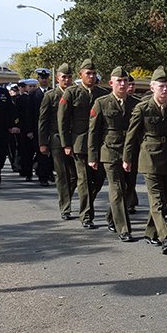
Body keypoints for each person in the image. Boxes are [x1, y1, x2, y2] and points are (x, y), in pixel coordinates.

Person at [124, 67, 167, 254]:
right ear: (152, 87)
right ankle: (165, 237)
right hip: (149, 157)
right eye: (161, 86)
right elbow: (132, 135)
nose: (165, 90)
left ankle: (150, 232)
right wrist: (127, 158)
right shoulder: (143, 108)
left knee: (164, 199)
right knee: (157, 200)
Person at [89, 67, 139, 241]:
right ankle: (123, 228)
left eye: (125, 81)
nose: (123, 84)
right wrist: (92, 156)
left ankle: (112, 216)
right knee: (117, 188)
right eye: (119, 81)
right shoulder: (101, 103)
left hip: (131, 151)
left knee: (129, 188)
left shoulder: (136, 103)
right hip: (109, 151)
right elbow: (93, 132)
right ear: (111, 83)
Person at [59, 59, 111, 228]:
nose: (91, 76)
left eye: (94, 74)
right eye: (88, 73)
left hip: (100, 144)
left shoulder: (103, 93)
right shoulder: (71, 93)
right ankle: (86, 216)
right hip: (80, 143)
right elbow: (63, 120)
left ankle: (87, 204)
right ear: (80, 75)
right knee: (84, 180)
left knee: (99, 179)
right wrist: (66, 144)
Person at [40, 64, 77, 220]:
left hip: (74, 140)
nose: (67, 80)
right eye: (64, 77)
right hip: (56, 140)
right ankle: (65, 207)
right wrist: (43, 142)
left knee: (74, 176)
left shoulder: (76, 94)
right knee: (62, 175)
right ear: (57, 78)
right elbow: (43, 120)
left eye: (69, 77)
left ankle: (66, 197)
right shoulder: (50, 95)